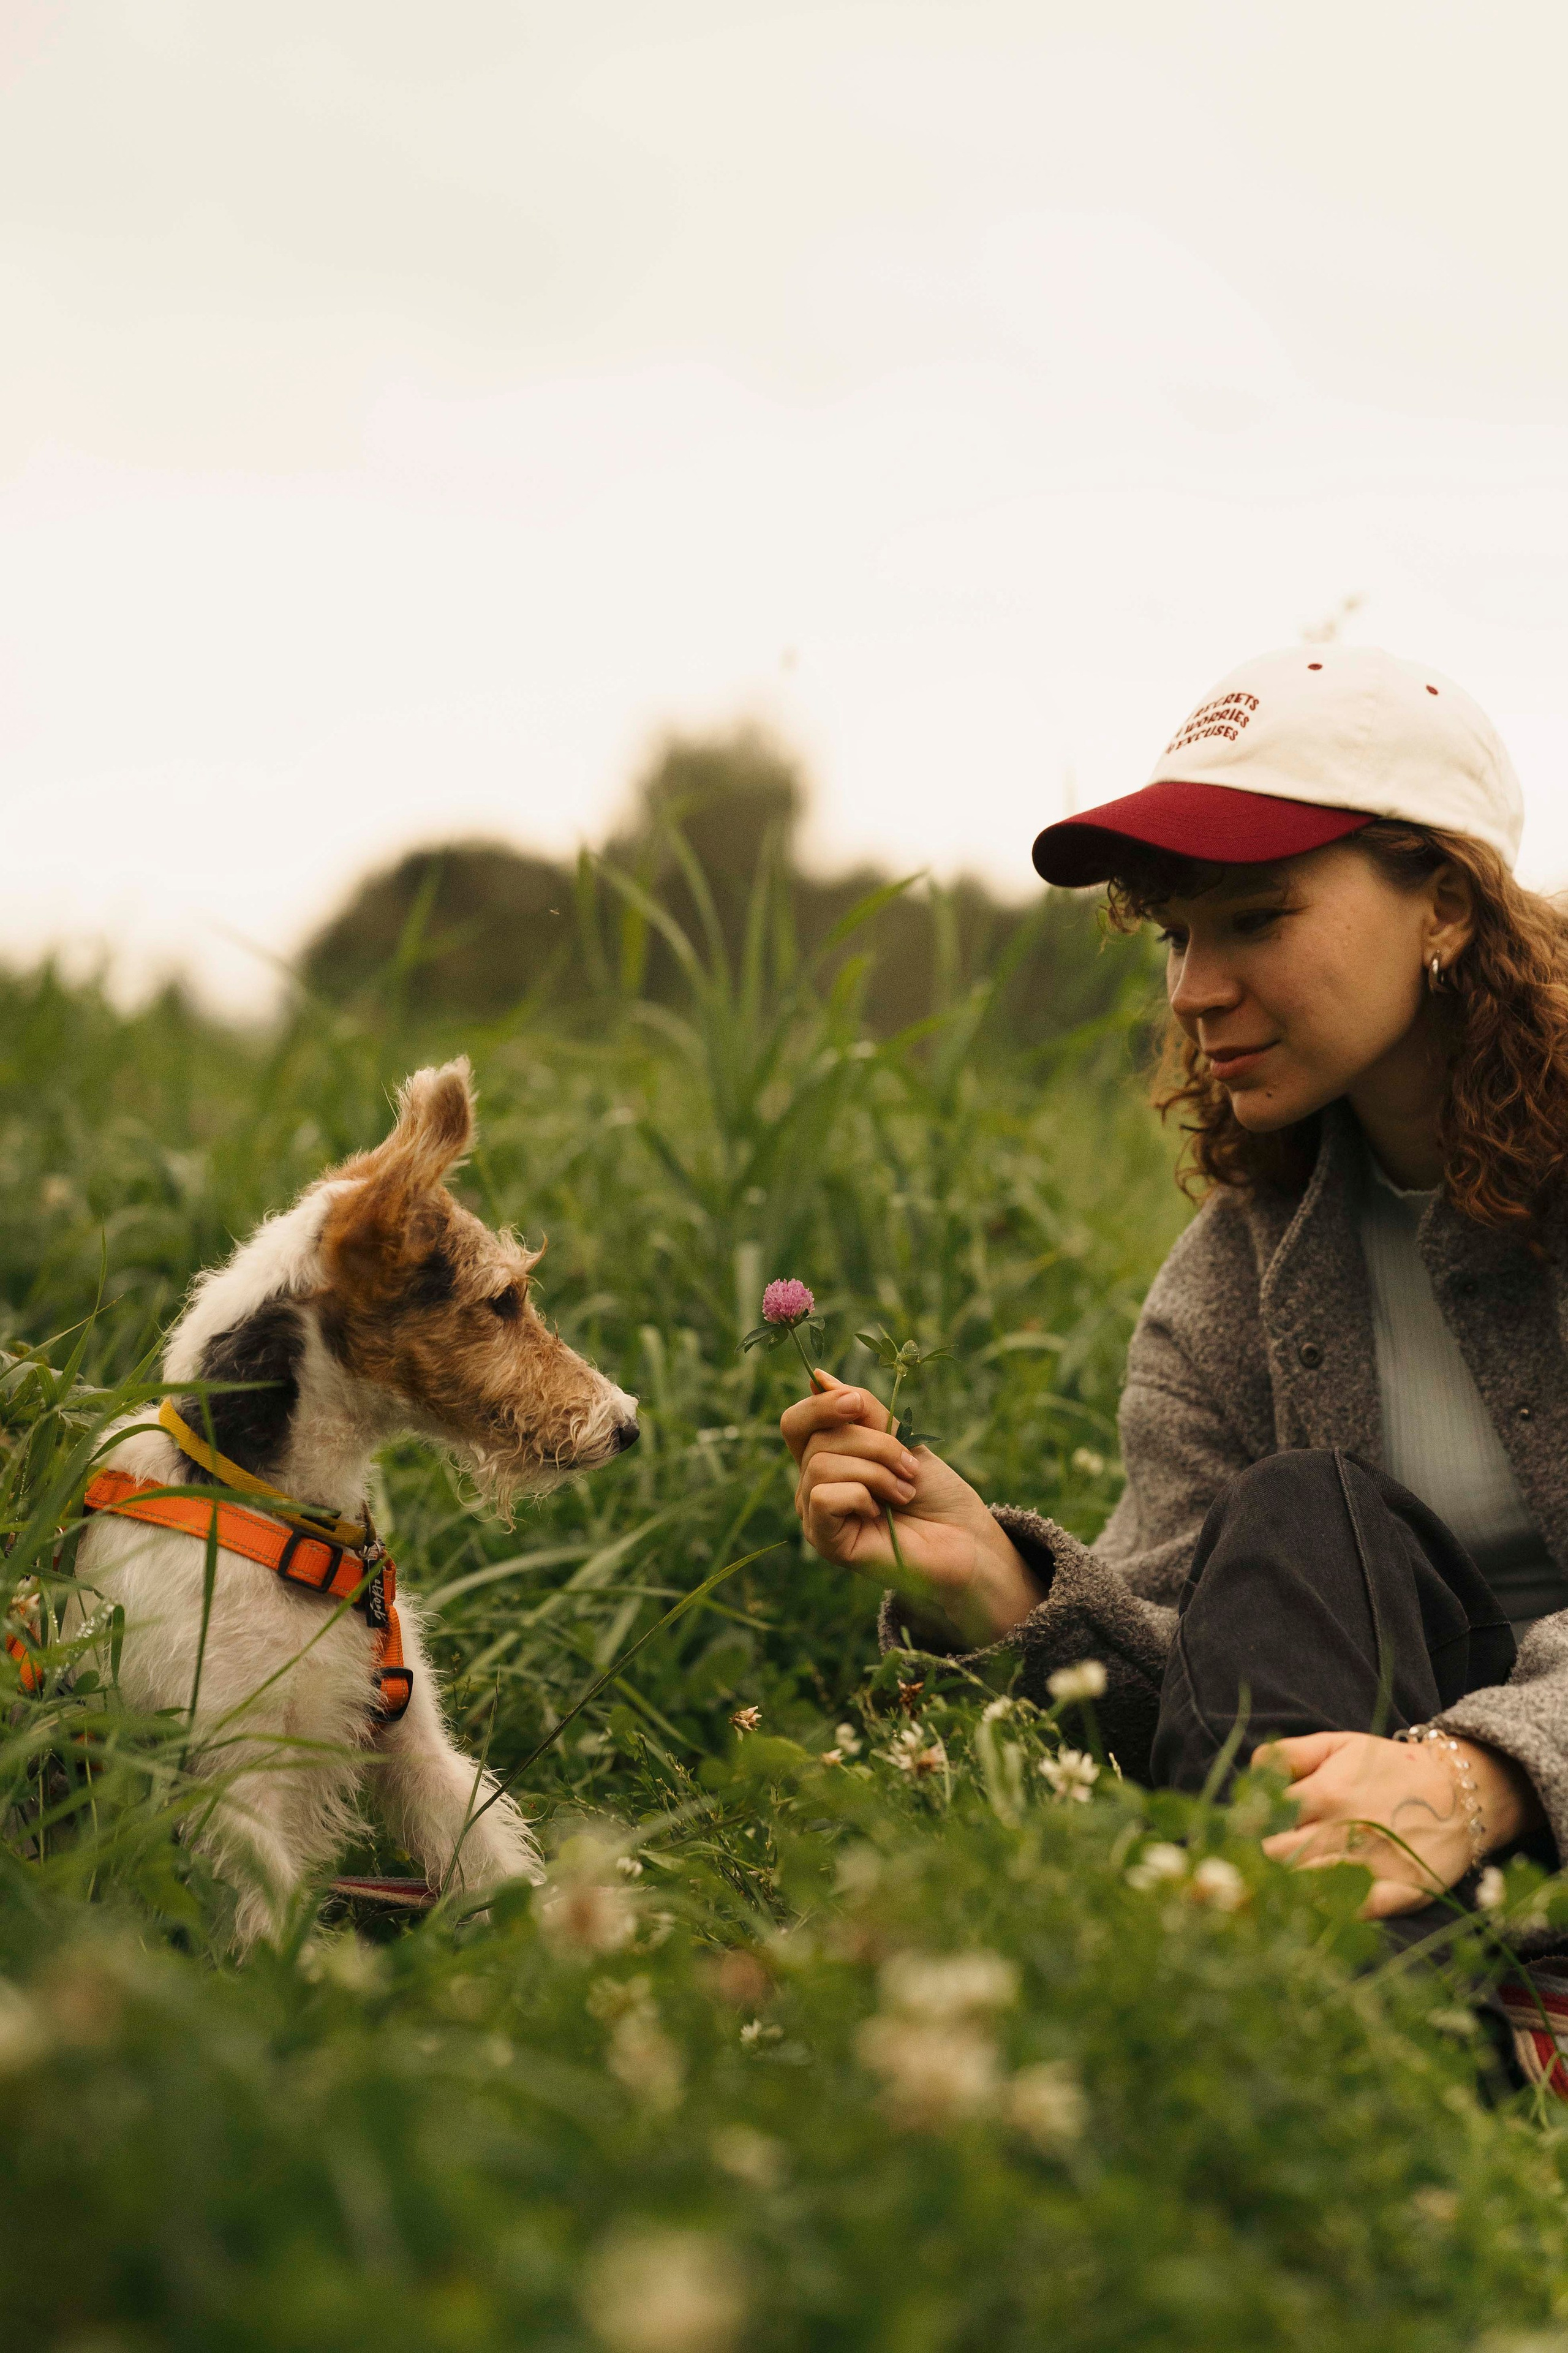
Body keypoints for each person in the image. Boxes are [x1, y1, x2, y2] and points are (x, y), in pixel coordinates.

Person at [782, 643, 1568, 1931]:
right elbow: (1206, 1699)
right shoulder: (1228, 1284)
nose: (1194, 991)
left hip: (1486, 1823)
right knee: (1298, 1514)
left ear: (1444, 907)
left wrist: (1478, 1775)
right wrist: (1001, 1587)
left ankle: (1330, 2058)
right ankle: (1359, 2042)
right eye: (1175, 933)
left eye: (1256, 917)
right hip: (1399, 1884)